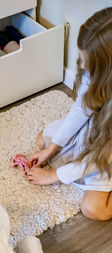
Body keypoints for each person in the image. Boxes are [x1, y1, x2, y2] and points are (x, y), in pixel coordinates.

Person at [27, 7, 112, 221]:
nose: (82, 65)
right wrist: (51, 150)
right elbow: (80, 110)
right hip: (94, 131)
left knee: (94, 209)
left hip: (105, 152)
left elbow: (97, 158)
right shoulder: (94, 76)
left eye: (88, 62)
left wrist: (53, 177)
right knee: (43, 141)